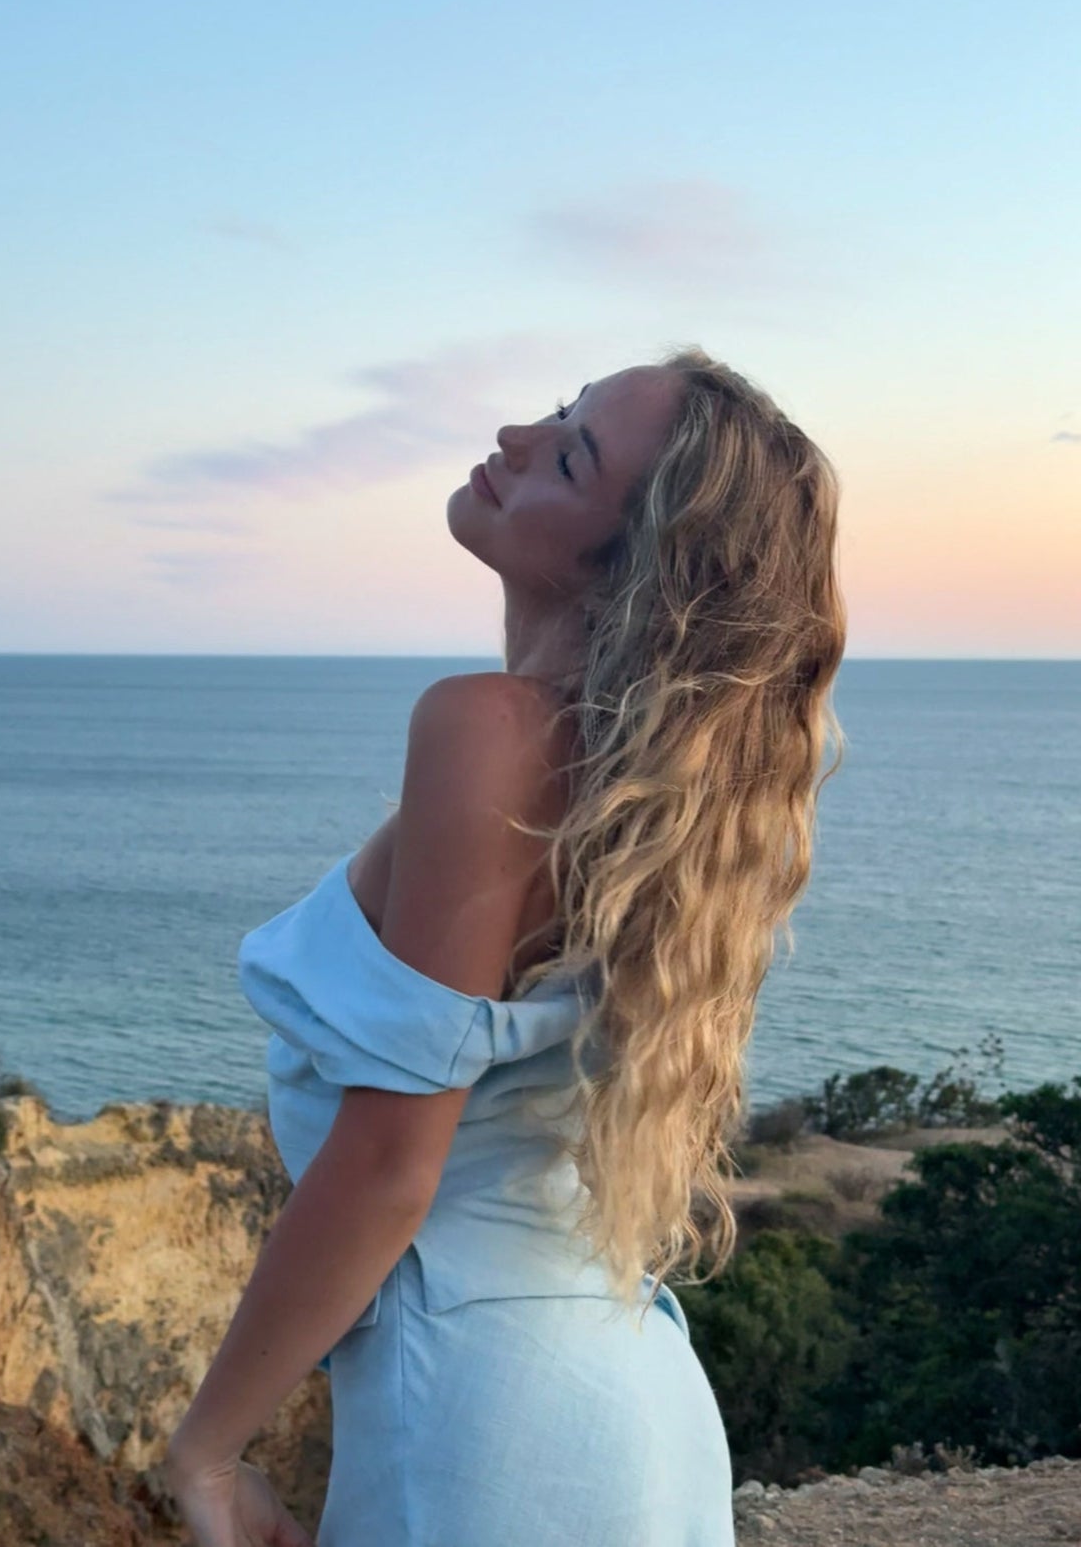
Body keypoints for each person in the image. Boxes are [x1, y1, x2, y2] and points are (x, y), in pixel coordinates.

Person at [164, 345, 848, 1545]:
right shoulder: (649, 805)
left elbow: (389, 1165)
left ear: (626, 567)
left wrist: (209, 1452)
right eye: (559, 408)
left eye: (570, 453)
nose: (516, 433)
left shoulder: (490, 733)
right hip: (633, 1408)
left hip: (486, 1421)